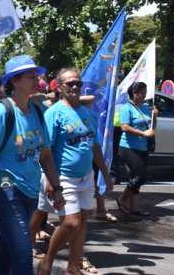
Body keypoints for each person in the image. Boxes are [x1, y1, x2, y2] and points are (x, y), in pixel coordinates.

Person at [0, 55, 65, 275]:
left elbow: (45, 154)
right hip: (7, 188)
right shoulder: (2, 112)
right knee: (24, 251)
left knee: (9, 247)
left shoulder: (37, 111)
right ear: (15, 81)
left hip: (30, 190)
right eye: (30, 77)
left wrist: (56, 188)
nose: (37, 81)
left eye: (37, 77)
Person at [38, 68, 114, 275]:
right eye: (70, 83)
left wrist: (105, 175)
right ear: (60, 87)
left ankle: (72, 267)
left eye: (78, 83)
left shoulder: (87, 113)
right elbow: (46, 151)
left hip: (86, 177)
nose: (74, 87)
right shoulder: (53, 114)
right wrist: (50, 182)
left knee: (81, 226)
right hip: (63, 178)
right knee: (71, 224)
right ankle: (47, 261)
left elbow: (95, 146)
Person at [116, 81, 158, 217]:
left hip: (143, 147)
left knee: (135, 177)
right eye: (142, 94)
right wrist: (143, 133)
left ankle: (134, 207)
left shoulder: (145, 108)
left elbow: (151, 127)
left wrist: (155, 117)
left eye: (145, 94)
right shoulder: (127, 108)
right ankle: (122, 198)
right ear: (134, 93)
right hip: (128, 147)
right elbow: (125, 127)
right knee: (141, 176)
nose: (144, 97)